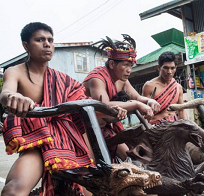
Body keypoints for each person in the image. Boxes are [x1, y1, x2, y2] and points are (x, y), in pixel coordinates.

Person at [0, 22, 126, 196]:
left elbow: (85, 104)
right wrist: (15, 98)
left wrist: (113, 111)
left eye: (50, 40)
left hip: (68, 141)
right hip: (38, 142)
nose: (47, 44)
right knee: (13, 191)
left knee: (95, 188)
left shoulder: (64, 80)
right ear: (26, 45)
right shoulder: (15, 71)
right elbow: (6, 93)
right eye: (40, 39)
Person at [83, 35, 160, 160]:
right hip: (85, 128)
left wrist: (149, 100)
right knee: (92, 167)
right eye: (125, 65)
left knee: (131, 159)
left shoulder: (122, 79)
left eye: (131, 66)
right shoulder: (97, 78)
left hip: (106, 127)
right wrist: (136, 105)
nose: (129, 70)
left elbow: (137, 97)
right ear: (112, 64)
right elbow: (104, 106)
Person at [142, 51, 186, 125]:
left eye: (172, 68)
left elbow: (181, 111)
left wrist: (187, 126)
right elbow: (143, 111)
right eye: (166, 68)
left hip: (175, 125)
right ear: (159, 68)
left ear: (176, 68)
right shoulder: (149, 86)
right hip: (156, 126)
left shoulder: (178, 87)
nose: (169, 72)